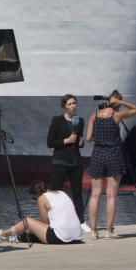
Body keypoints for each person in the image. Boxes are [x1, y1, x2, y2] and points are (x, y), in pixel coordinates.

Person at [86, 90, 136, 239]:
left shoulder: (94, 115)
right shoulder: (117, 115)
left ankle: (93, 231)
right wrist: (120, 103)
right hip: (114, 155)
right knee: (111, 195)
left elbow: (89, 137)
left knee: (95, 194)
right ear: (117, 103)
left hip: (98, 154)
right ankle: (109, 231)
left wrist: (101, 137)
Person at [46, 94, 88, 232]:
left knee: (77, 192)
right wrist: (66, 141)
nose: (73, 106)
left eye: (74, 103)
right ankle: (52, 221)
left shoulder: (80, 121)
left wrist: (80, 142)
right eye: (69, 104)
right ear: (64, 106)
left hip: (75, 161)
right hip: (60, 160)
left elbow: (79, 140)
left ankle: (81, 221)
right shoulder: (57, 120)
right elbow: (50, 142)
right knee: (55, 191)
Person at [0, 180, 83, 245]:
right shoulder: (62, 193)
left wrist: (32, 228)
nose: (35, 201)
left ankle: (4, 233)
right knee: (32, 230)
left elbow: (45, 223)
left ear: (36, 194)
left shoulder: (42, 198)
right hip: (77, 236)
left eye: (34, 198)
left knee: (27, 221)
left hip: (61, 237)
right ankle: (14, 235)